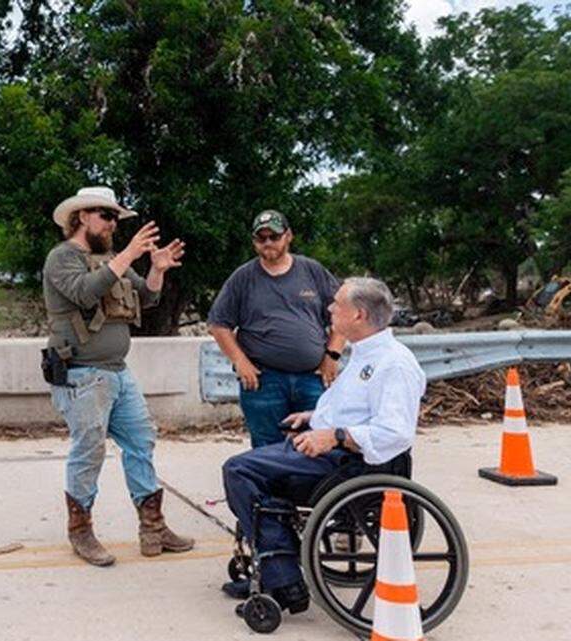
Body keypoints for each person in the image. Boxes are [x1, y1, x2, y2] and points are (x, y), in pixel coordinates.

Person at [220, 277, 426, 618]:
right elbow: (357, 410)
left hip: (354, 464)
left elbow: (395, 432)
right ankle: (273, 561)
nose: (329, 309)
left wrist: (335, 436)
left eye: (337, 304)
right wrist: (314, 417)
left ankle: (284, 579)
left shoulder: (394, 363)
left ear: (358, 315)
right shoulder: (365, 354)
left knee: (240, 470)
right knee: (251, 466)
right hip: (336, 452)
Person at [42, 186, 193, 566]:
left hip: (117, 373)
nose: (112, 225)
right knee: (88, 451)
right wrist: (128, 255)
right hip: (82, 375)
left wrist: (156, 269)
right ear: (82, 218)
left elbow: (147, 297)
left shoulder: (110, 259)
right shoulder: (62, 259)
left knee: (141, 441)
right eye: (106, 216)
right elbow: (84, 294)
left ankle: (153, 528)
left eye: (114, 218)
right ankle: (81, 531)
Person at [208, 210, 345, 448]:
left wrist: (332, 354)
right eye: (261, 238)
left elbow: (343, 313)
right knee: (267, 450)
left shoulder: (312, 271)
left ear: (288, 236)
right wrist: (240, 361)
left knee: (319, 445)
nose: (268, 243)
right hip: (263, 381)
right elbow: (219, 324)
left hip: (313, 378)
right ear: (254, 242)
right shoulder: (243, 278)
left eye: (274, 236)